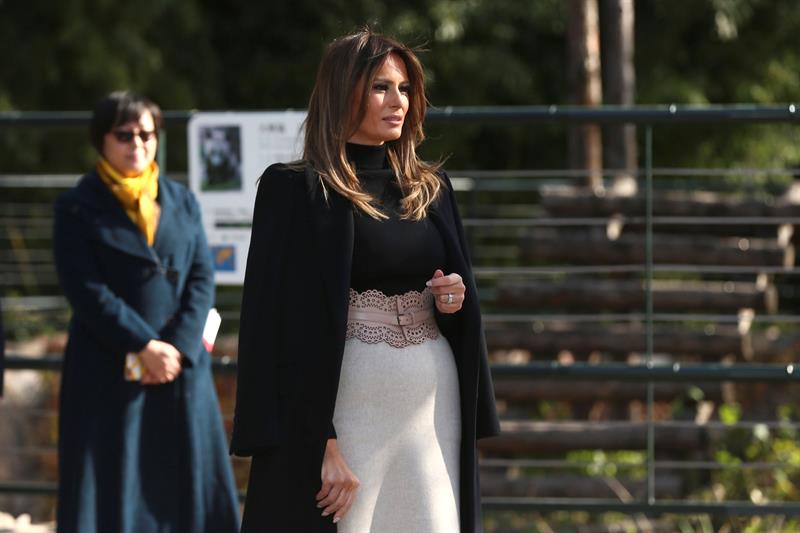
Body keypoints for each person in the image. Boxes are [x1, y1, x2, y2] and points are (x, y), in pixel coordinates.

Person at [231, 29, 500, 532]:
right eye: (381, 87)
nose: (398, 101)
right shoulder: (295, 190)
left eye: (404, 89)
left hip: (431, 403)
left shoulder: (432, 187)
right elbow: (272, 325)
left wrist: (452, 301)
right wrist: (319, 442)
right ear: (342, 91)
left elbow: (461, 307)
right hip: (342, 409)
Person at [52, 91, 240, 533]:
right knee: (113, 493)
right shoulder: (76, 207)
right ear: (102, 140)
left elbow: (201, 277)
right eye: (124, 134)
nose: (137, 143)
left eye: (147, 134)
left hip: (180, 370)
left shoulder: (183, 200)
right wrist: (143, 344)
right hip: (108, 369)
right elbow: (86, 289)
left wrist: (176, 347)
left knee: (185, 491)